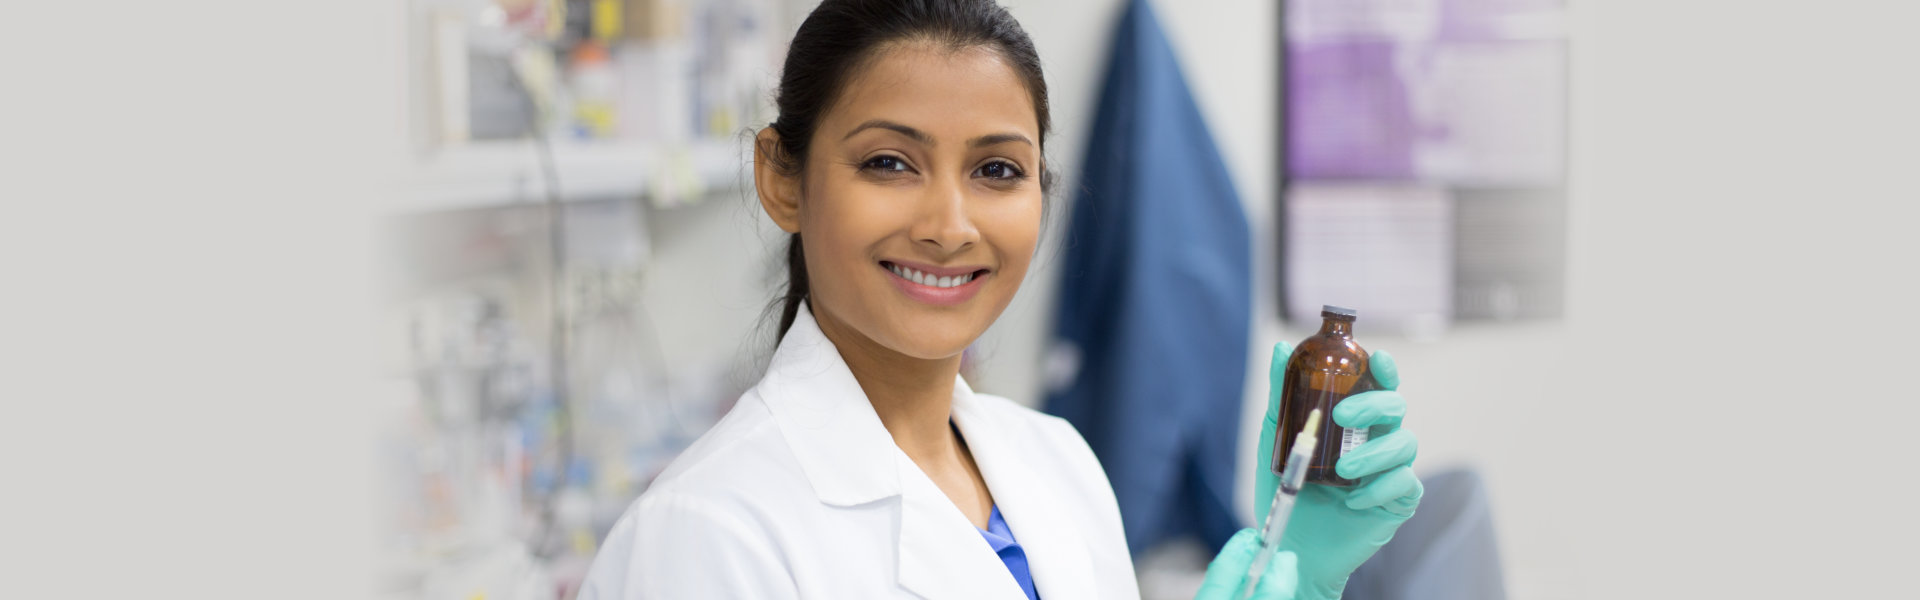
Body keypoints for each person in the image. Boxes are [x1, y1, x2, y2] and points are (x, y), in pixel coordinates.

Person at [578, 1, 1421, 598]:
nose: (950, 226)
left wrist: (1299, 571)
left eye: (997, 171)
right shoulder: (704, 536)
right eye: (888, 162)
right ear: (782, 178)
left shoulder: (1057, 465)